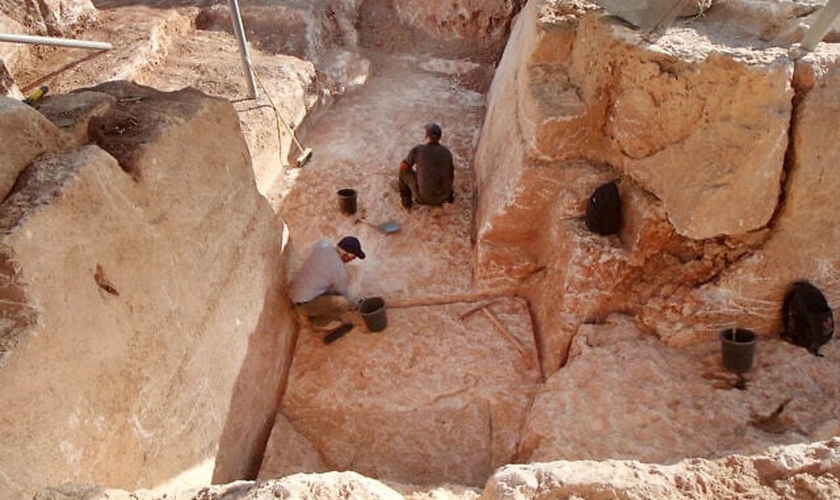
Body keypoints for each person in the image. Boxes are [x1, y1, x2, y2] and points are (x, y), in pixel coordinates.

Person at [289, 236, 365, 331]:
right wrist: (355, 305)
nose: (353, 260)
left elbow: (317, 245)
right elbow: (343, 294)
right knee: (343, 303)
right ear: (346, 255)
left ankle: (306, 311)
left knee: (330, 289)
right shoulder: (339, 272)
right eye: (353, 257)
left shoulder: (324, 245)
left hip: (296, 292)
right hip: (303, 304)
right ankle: (318, 323)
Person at [398, 123, 455, 209]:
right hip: (444, 198)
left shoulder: (418, 149)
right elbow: (451, 174)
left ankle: (407, 204)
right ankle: (450, 198)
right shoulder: (447, 152)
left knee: (403, 171)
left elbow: (403, 166)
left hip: (423, 199)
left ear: (426, 136)